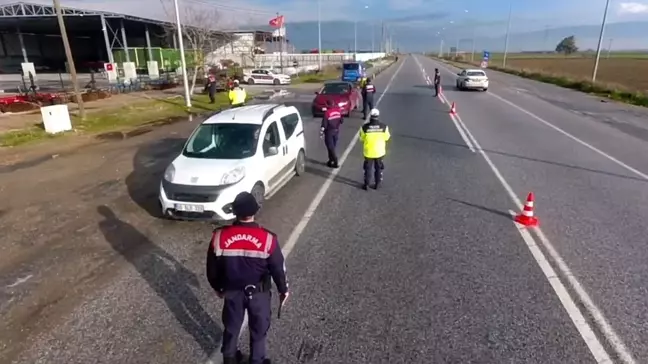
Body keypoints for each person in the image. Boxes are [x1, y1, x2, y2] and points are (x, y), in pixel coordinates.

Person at [206, 192, 289, 364]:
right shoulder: (268, 239)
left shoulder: (219, 236)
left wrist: (218, 287)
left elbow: (212, 268)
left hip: (232, 292)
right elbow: (278, 268)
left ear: (235, 213)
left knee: (231, 327)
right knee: (258, 330)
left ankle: (229, 358)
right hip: (259, 294)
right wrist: (283, 289)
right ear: (254, 212)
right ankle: (256, 360)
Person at [359, 108, 391, 190]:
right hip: (379, 152)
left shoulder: (364, 127)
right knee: (378, 168)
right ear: (378, 116)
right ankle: (377, 184)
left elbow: (361, 139)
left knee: (367, 168)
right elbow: (387, 138)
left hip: (368, 152)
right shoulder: (384, 127)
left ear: (370, 116)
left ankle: (366, 184)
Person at [320, 99, 344, 168]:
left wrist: (321, 133)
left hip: (329, 132)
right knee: (333, 146)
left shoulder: (327, 113)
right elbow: (342, 120)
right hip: (336, 131)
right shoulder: (338, 111)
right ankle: (330, 160)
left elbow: (324, 124)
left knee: (330, 147)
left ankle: (335, 160)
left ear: (328, 105)